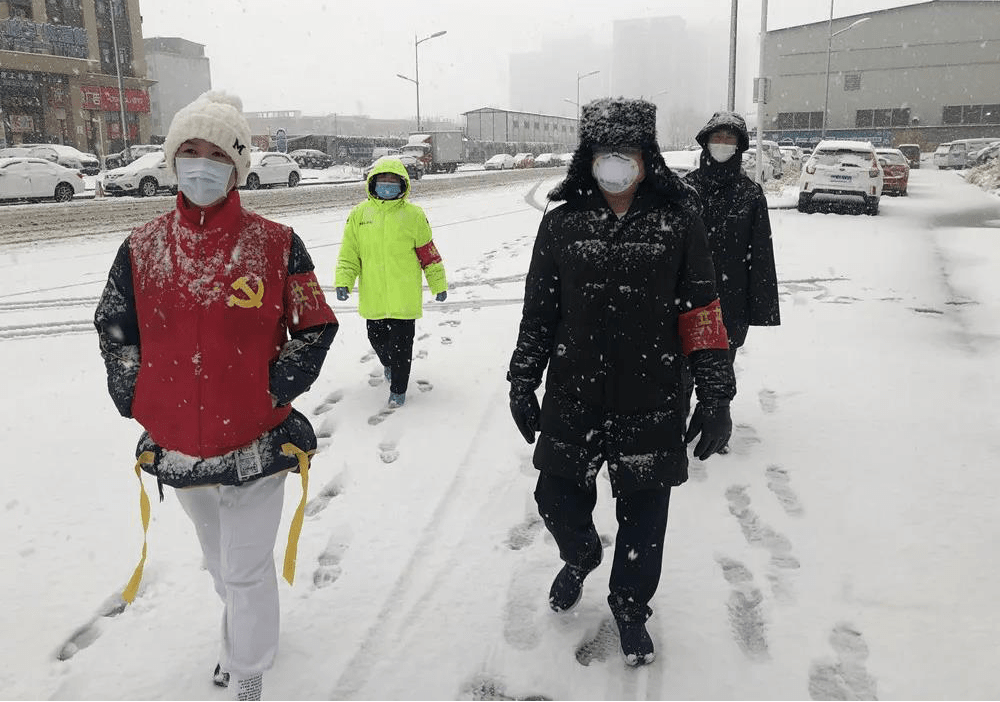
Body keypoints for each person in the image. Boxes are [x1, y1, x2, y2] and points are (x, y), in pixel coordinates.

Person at [94, 91, 338, 701]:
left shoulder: (277, 244)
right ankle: (238, 634)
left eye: (217, 155)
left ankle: (250, 665)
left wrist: (275, 385)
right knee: (220, 563)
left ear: (238, 167)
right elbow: (115, 325)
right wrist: (133, 391)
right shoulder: (141, 246)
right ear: (173, 160)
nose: (202, 165)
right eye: (190, 152)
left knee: (247, 566)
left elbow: (315, 325)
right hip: (178, 441)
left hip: (257, 437)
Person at [507, 97, 736, 666]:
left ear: (646, 156)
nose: (615, 163)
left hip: (652, 390)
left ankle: (630, 607)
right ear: (588, 156)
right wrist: (522, 378)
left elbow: (702, 312)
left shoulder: (678, 221)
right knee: (555, 495)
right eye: (603, 151)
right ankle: (580, 554)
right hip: (573, 389)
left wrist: (715, 396)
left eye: (626, 151)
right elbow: (540, 311)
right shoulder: (561, 223)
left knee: (645, 513)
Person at [682, 111, 780, 431]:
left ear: (738, 147)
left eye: (730, 139)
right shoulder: (685, 189)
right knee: (681, 367)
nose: (722, 144)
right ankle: (676, 420)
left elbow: (761, 256)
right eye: (717, 137)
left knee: (721, 365)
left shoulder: (750, 194)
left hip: (730, 300)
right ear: (706, 141)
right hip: (684, 298)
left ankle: (713, 418)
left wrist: (760, 306)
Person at [334, 158, 448, 408]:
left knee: (402, 348)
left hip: (403, 296)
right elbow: (349, 253)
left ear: (402, 185)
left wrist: (438, 283)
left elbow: (428, 253)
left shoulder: (414, 215)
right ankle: (388, 364)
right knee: (376, 339)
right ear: (373, 183)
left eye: (393, 181)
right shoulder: (359, 214)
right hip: (373, 294)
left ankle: (398, 388)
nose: (387, 185)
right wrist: (344, 280)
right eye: (383, 181)